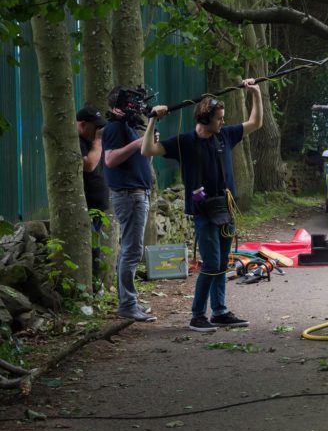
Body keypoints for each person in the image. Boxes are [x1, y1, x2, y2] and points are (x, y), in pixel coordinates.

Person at [143, 80, 263, 333]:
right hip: (203, 212)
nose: (222, 122)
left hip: (225, 209)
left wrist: (256, 94)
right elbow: (147, 150)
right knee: (211, 264)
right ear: (205, 119)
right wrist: (154, 119)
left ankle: (219, 311)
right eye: (219, 118)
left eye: (223, 118)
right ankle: (197, 315)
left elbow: (255, 123)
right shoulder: (185, 142)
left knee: (221, 264)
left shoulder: (226, 135)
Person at [102, 86, 157, 322]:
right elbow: (110, 159)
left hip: (138, 193)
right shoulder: (114, 127)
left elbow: (144, 157)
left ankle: (130, 300)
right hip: (129, 195)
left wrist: (148, 143)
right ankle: (127, 305)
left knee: (133, 249)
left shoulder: (129, 128)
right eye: (131, 102)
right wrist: (137, 144)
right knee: (131, 250)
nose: (135, 106)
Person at [77, 105, 109, 288]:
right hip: (86, 206)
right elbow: (88, 165)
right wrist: (97, 142)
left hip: (97, 206)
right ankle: (92, 287)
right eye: (94, 126)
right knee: (92, 249)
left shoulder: (90, 139)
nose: (98, 130)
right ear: (82, 124)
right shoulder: (79, 142)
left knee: (96, 248)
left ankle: (95, 285)